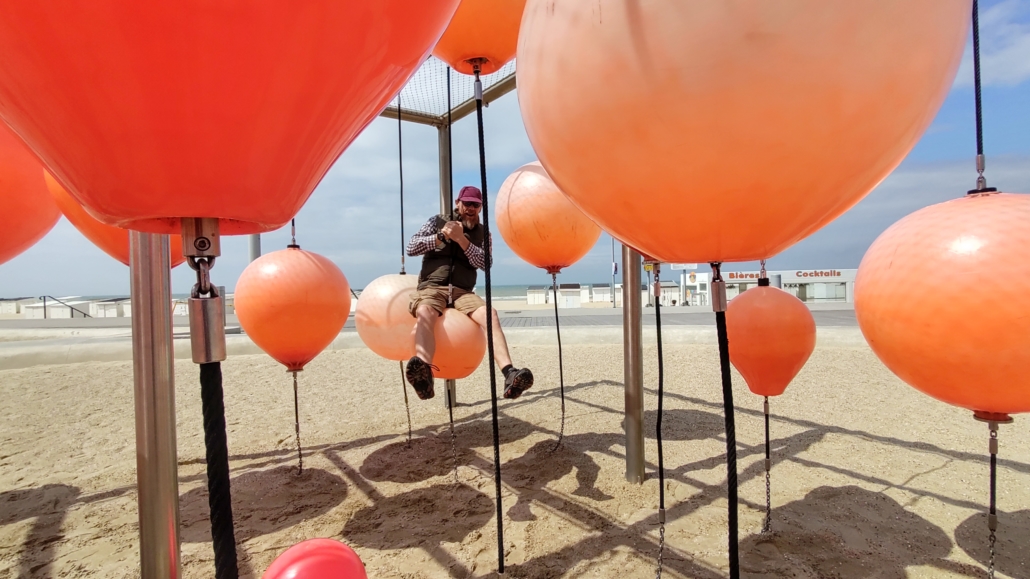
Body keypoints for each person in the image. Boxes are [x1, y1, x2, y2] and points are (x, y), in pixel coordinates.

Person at [404, 185, 534, 401]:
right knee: (425, 311)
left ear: (480, 207)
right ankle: (423, 375)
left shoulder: (484, 234)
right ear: (458, 203)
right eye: (467, 204)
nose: (471, 209)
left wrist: (462, 240)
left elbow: (485, 263)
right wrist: (440, 237)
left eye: (476, 205)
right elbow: (411, 247)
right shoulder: (436, 221)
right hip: (432, 287)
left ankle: (509, 373)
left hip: (462, 292)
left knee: (490, 315)